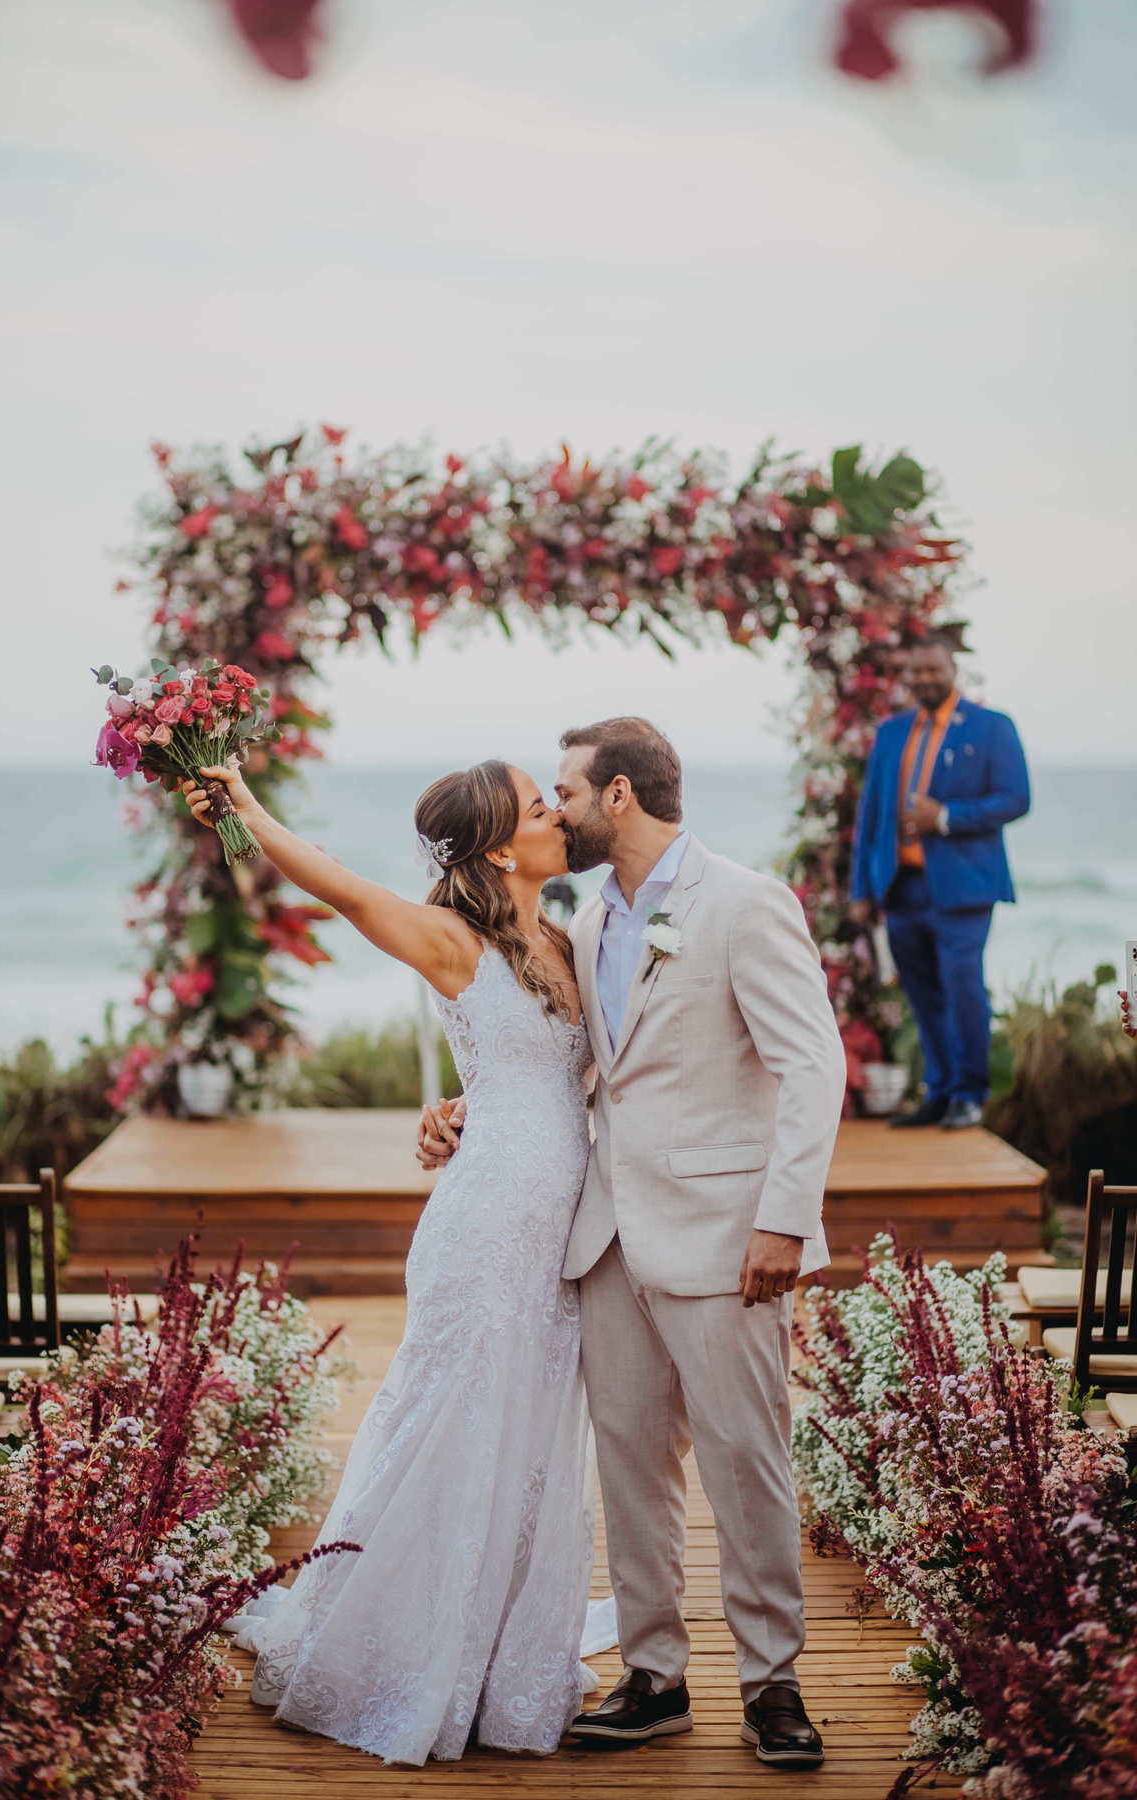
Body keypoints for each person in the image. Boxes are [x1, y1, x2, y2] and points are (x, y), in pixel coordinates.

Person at [421, 717, 846, 1769]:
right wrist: (454, 1113)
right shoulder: (585, 924)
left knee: (749, 1461)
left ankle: (773, 1686)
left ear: (616, 795)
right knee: (629, 1464)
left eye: (562, 790)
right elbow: (564, 1069)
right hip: (605, 1236)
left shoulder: (746, 903)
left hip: (727, 1236)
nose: (553, 810)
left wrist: (786, 1219)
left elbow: (814, 1067)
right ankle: (654, 1678)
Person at [179, 755, 613, 1765]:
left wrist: (454, 1108)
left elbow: (562, 1078)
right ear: (501, 845)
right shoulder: (450, 938)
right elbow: (337, 885)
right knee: (448, 1425)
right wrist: (243, 802)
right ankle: (400, 1656)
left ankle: (497, 1656)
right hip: (486, 1225)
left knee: (529, 1434)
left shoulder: (560, 937)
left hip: (556, 1229)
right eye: (541, 807)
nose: (558, 815)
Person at [849, 636, 1030, 1131]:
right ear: (906, 677)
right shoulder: (891, 733)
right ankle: (941, 1090)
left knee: (962, 987)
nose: (925, 679)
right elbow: (871, 813)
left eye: (934, 670)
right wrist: (860, 890)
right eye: (917, 672)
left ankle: (971, 1094)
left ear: (953, 669)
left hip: (965, 889)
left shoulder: (992, 728)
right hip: (902, 887)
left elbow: (1016, 799)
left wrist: (946, 817)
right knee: (921, 994)